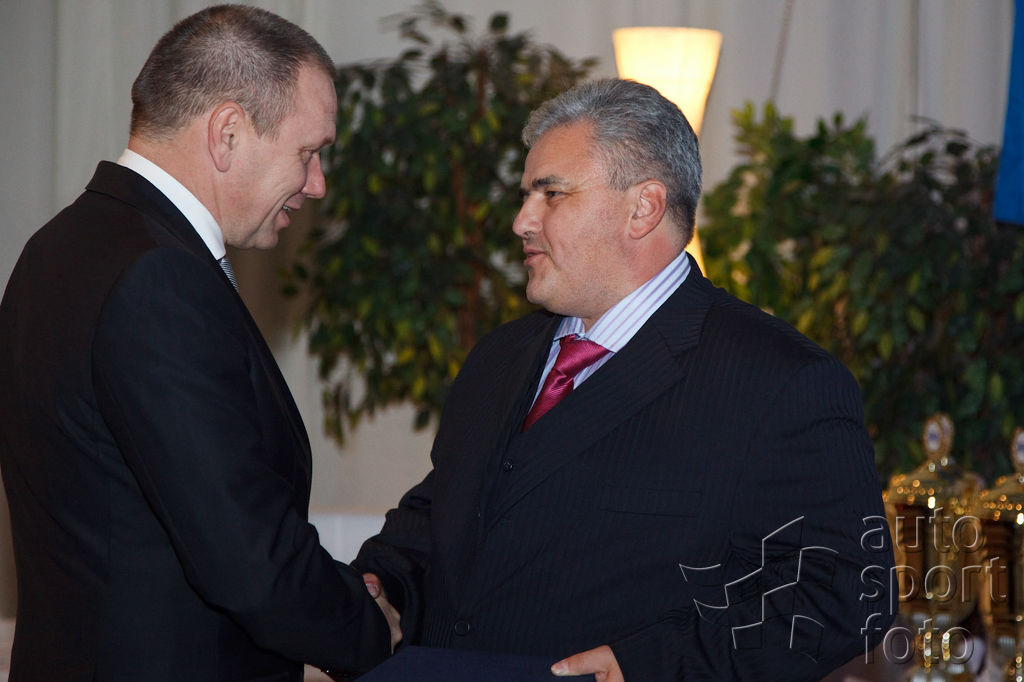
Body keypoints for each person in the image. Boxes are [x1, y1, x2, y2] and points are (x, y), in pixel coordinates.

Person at [354, 78, 895, 681]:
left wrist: (653, 665)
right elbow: (443, 519)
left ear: (643, 208)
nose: (521, 221)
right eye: (526, 195)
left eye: (551, 194)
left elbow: (845, 594)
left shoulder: (780, 380)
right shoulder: (498, 357)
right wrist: (382, 587)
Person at [0, 5, 397, 681]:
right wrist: (375, 631)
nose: (317, 184)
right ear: (227, 133)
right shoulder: (160, 278)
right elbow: (247, 559)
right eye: (308, 152)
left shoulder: (59, 246)